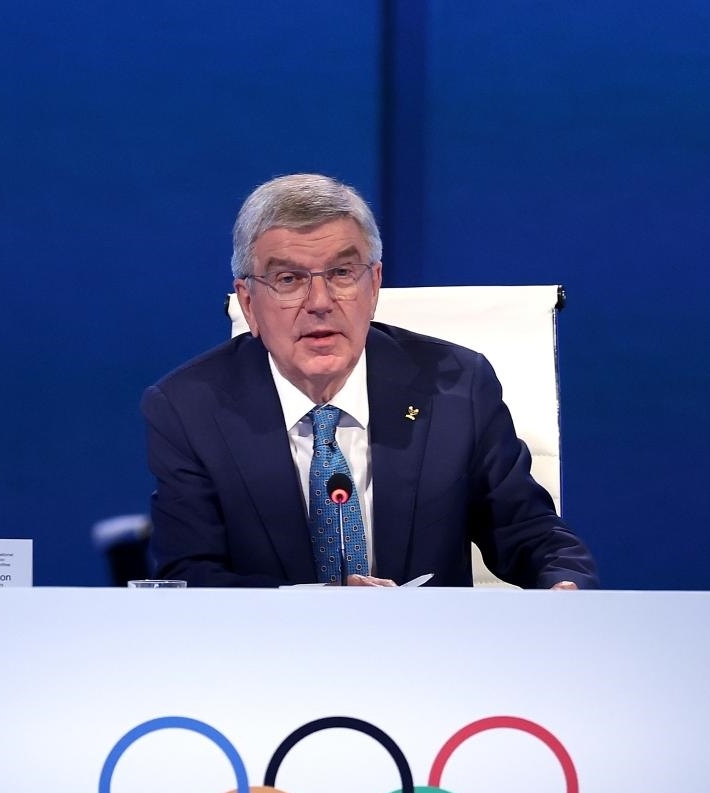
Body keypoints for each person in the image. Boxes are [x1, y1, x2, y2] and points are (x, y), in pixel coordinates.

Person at [142, 173, 598, 589]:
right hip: (268, 650)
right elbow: (188, 576)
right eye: (289, 279)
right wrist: (323, 605)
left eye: (342, 273)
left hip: (431, 649)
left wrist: (564, 583)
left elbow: (528, 531)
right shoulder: (187, 408)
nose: (320, 302)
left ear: (374, 283)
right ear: (248, 302)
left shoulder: (456, 387)